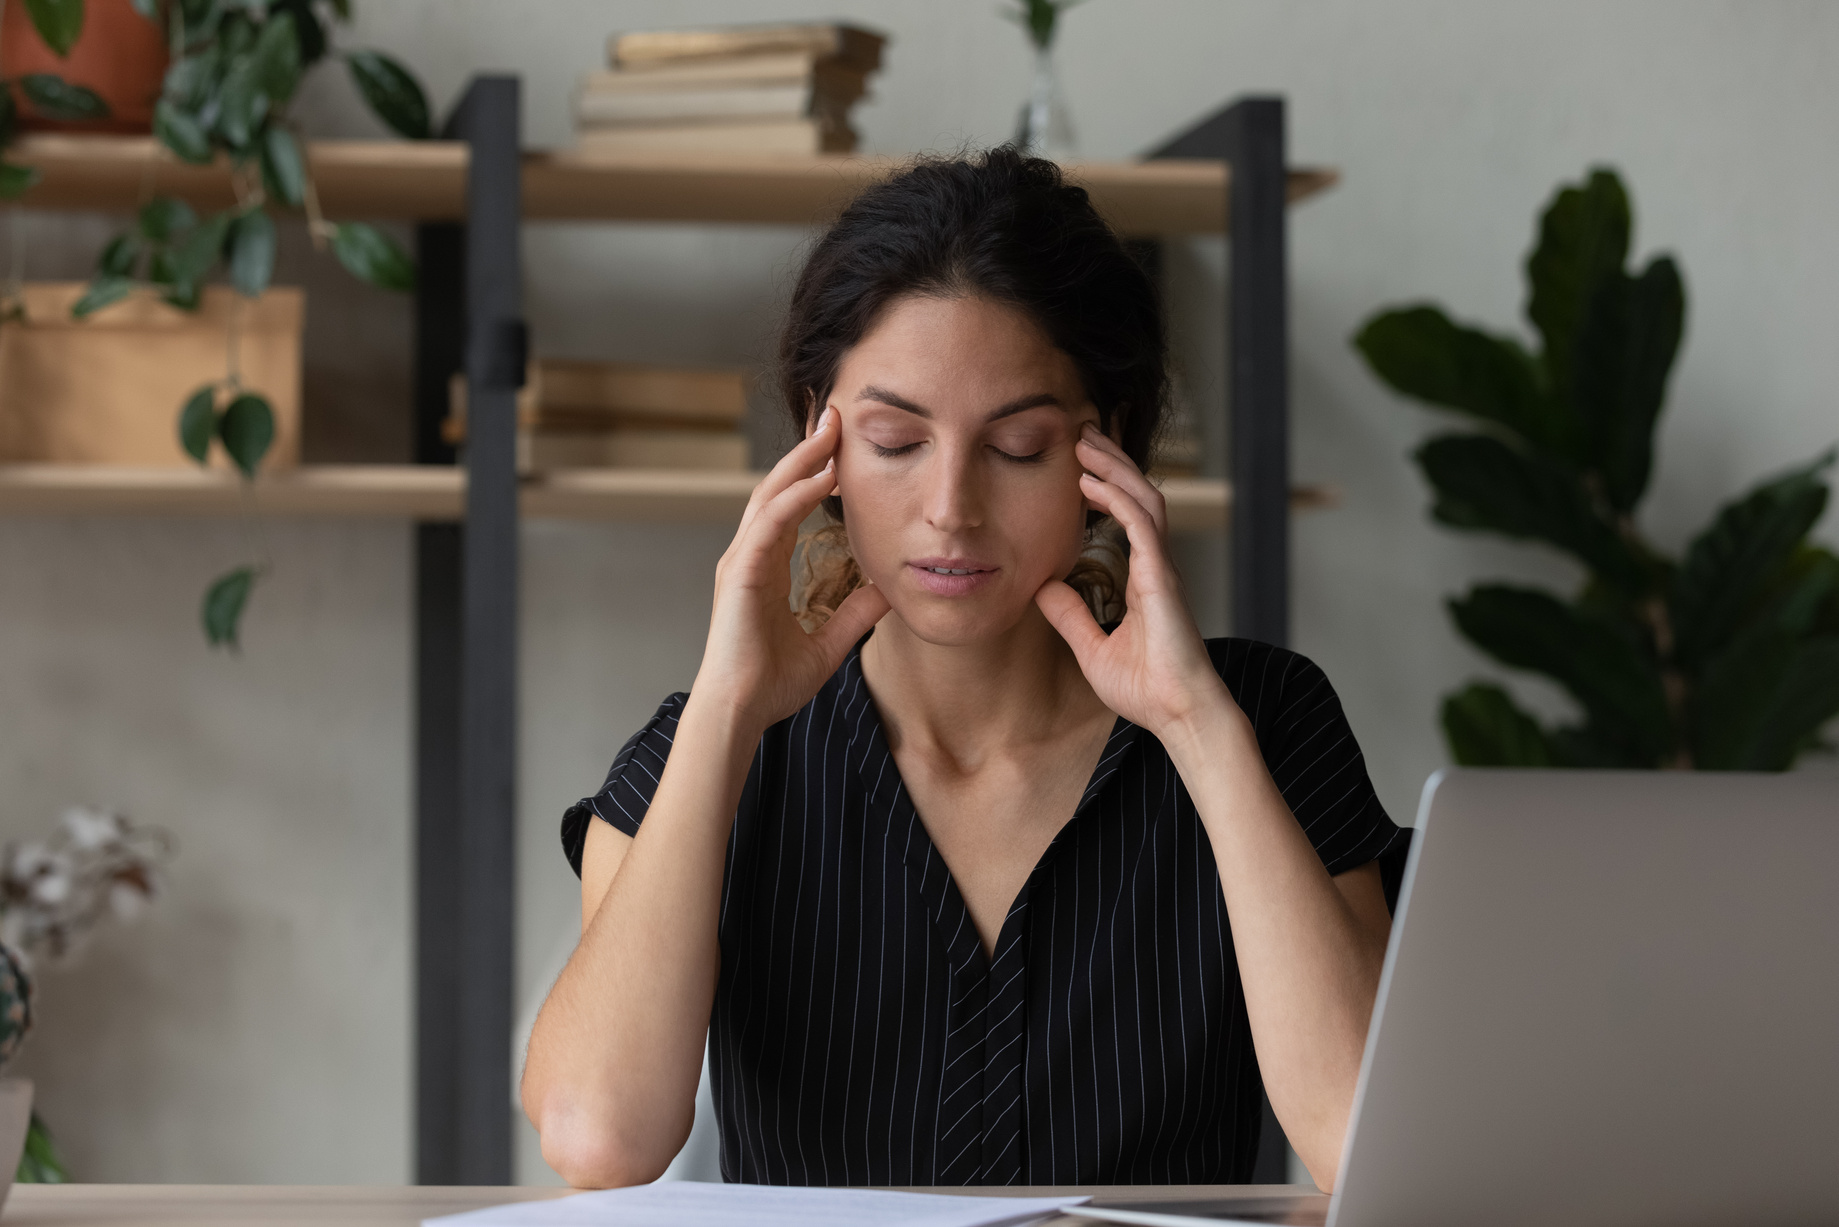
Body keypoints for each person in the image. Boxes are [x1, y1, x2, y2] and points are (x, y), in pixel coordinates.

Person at [521, 148, 1405, 1192]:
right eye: (895, 441)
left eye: (1020, 447)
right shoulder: (707, 747)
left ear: (1107, 448)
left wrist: (1196, 730)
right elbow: (596, 1140)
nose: (951, 507)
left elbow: (1369, 1147)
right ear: (821, 445)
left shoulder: (1261, 718)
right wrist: (725, 711)